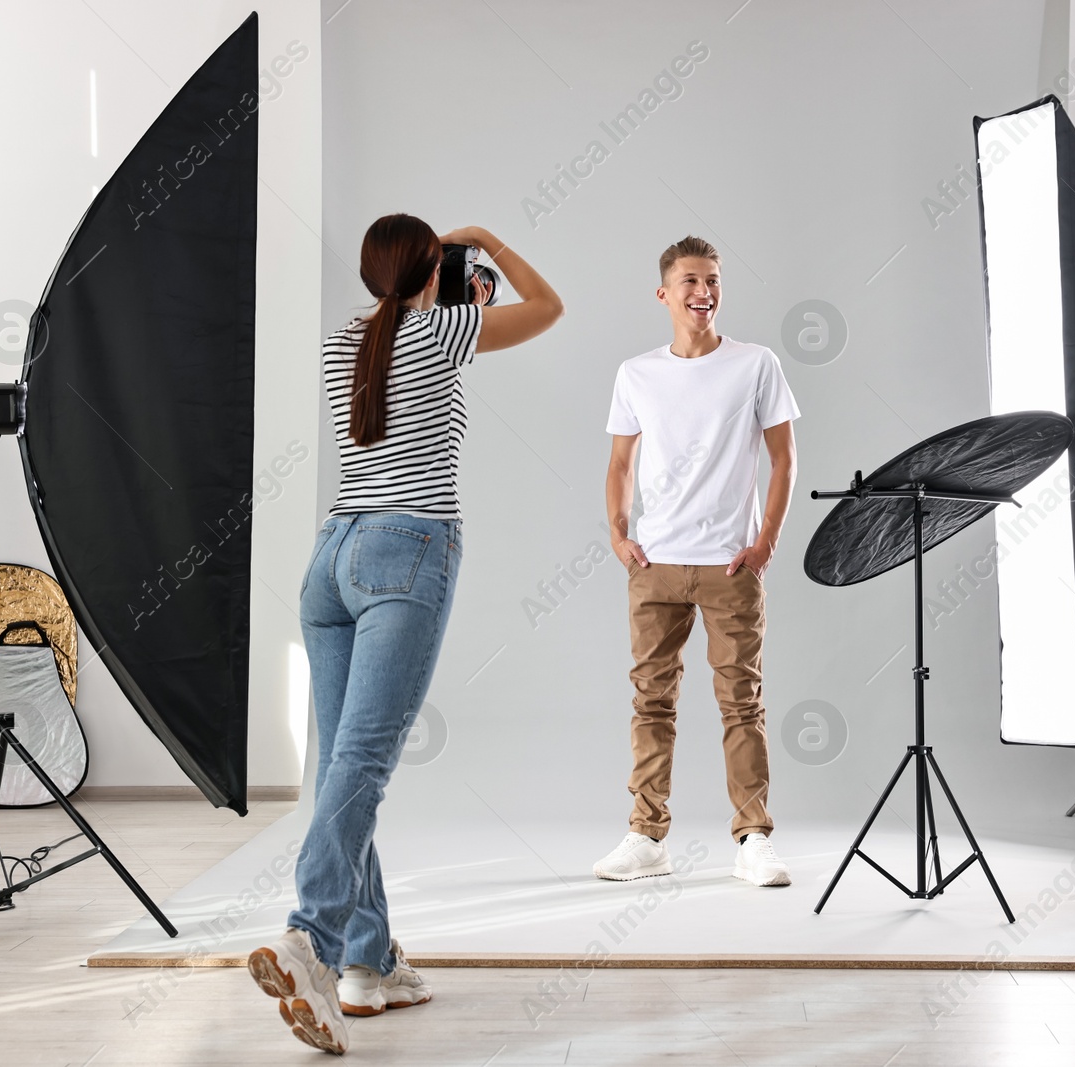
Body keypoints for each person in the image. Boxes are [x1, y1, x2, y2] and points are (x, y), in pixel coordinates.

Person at [248, 215, 562, 1055]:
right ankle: (308, 938)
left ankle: (369, 962)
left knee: (343, 765)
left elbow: (408, 338)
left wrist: (442, 289)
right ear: (433, 273)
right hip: (409, 549)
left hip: (332, 559)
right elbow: (550, 307)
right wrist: (487, 244)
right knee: (363, 766)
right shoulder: (448, 328)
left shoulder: (343, 341)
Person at [596, 235, 800, 888]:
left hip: (729, 566)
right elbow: (621, 462)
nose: (702, 291)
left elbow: (783, 459)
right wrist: (619, 535)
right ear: (665, 293)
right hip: (654, 565)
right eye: (689, 280)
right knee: (651, 702)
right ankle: (646, 834)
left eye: (711, 279)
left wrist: (766, 540)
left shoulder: (756, 364)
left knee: (742, 702)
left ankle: (753, 838)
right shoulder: (637, 373)